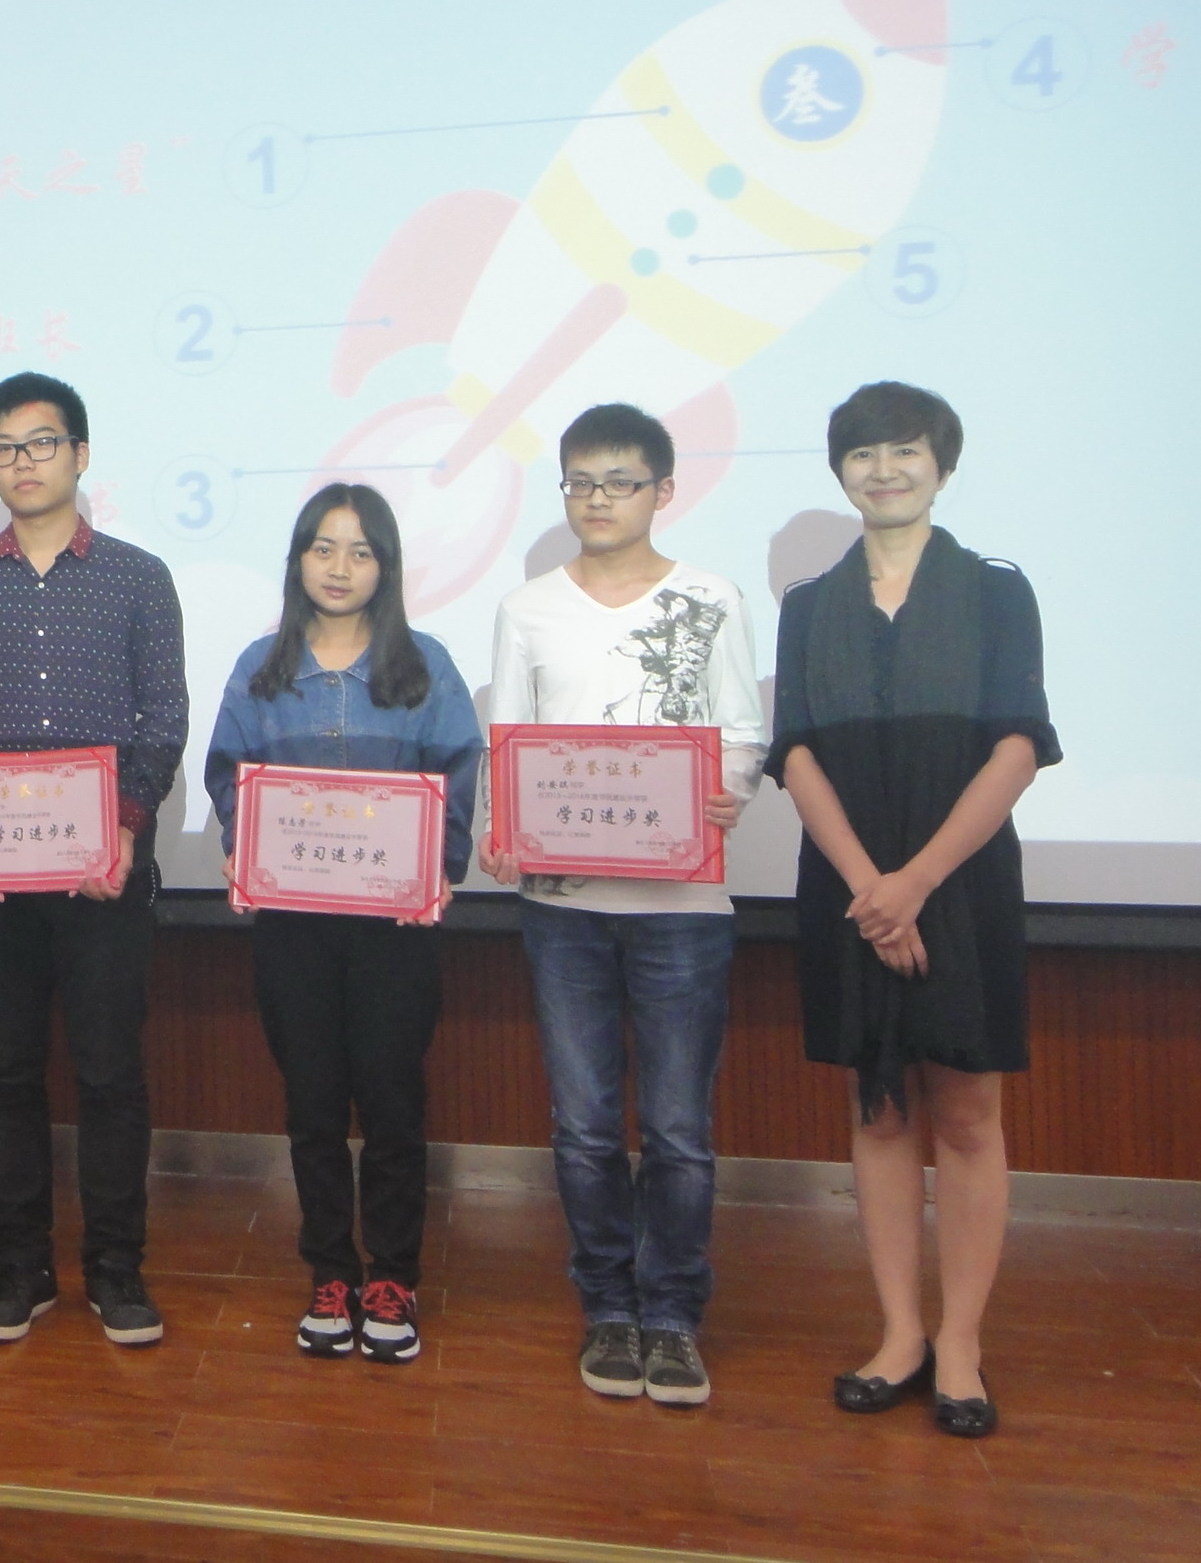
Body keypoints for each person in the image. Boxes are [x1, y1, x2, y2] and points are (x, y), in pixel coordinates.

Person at [769, 384, 1055, 1440]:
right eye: (863, 454)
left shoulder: (994, 590)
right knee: (878, 1109)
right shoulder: (810, 604)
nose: (883, 470)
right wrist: (869, 889)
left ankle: (962, 1342)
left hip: (961, 887)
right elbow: (795, 753)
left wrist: (916, 882)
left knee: (969, 1115)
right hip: (850, 890)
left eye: (904, 451)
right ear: (839, 470)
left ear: (943, 464)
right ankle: (899, 1334)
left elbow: (1018, 746)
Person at [480, 402, 763, 1407]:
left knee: (679, 1128)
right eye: (581, 483)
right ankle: (607, 1306)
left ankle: (673, 1316)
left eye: (620, 482)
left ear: (662, 491)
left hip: (682, 904)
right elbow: (508, 743)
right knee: (587, 1125)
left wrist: (726, 788)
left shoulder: (710, 599)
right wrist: (499, 829)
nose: (599, 499)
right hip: (563, 907)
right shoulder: (528, 608)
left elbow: (742, 734)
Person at [0, 371, 188, 1349]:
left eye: (40, 443)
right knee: (4, 1075)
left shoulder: (138, 577)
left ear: (80, 454)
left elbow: (162, 718)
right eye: (4, 448)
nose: (22, 463)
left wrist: (125, 824)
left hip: (102, 876)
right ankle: (20, 1265)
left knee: (111, 1076)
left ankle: (116, 1268)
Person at [203, 482, 482, 1366]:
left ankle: (392, 1274)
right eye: (322, 548)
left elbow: (459, 776)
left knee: (393, 1102)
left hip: (395, 928)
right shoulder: (261, 668)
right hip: (293, 926)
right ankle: (330, 1271)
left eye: (361, 552)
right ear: (297, 560)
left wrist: (438, 867)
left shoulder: (426, 667)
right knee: (313, 1104)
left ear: (386, 568)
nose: (339, 567)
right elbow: (227, 775)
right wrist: (245, 846)